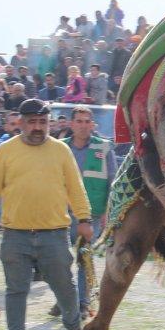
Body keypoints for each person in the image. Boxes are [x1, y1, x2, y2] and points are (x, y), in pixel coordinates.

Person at [0, 99, 93, 330]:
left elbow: (76, 187)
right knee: (16, 290)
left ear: (49, 123)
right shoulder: (5, 151)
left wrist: (84, 218)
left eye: (43, 122)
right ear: (21, 123)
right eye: (32, 122)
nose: (37, 127)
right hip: (15, 234)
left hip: (54, 234)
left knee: (65, 287)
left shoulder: (61, 151)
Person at [58, 106, 117, 318]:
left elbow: (113, 180)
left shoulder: (104, 147)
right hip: (62, 213)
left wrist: (108, 211)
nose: (83, 126)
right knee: (60, 260)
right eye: (79, 121)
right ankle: (65, 299)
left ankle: (82, 303)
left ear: (92, 125)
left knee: (84, 258)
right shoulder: (60, 147)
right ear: (71, 124)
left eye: (87, 121)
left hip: (92, 213)